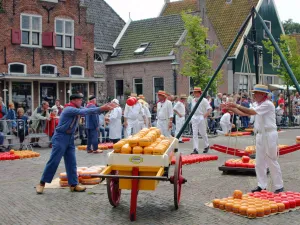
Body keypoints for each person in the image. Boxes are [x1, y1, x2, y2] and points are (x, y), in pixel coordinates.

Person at [36, 94, 116, 194]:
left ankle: (73, 184)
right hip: (61, 136)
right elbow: (85, 111)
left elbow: (89, 109)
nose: (81, 102)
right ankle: (42, 183)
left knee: (71, 162)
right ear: (74, 100)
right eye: (79, 100)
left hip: (69, 137)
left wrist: (105, 106)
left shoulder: (76, 108)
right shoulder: (69, 109)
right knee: (54, 161)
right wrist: (101, 108)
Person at [226, 84, 284, 193]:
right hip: (260, 134)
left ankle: (279, 186)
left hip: (269, 134)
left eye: (256, 93)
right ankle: (262, 185)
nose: (254, 95)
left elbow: (250, 112)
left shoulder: (268, 104)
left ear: (262, 94)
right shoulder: (258, 104)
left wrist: (236, 105)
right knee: (259, 162)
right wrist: (232, 108)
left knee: (271, 159)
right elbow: (245, 113)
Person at [190, 87, 212, 154]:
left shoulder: (204, 100)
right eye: (194, 92)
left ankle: (206, 145)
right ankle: (195, 149)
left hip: (201, 116)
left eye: (196, 92)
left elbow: (209, 109)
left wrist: (204, 116)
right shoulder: (193, 100)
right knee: (194, 133)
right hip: (194, 117)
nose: (194, 93)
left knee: (202, 133)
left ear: (199, 93)